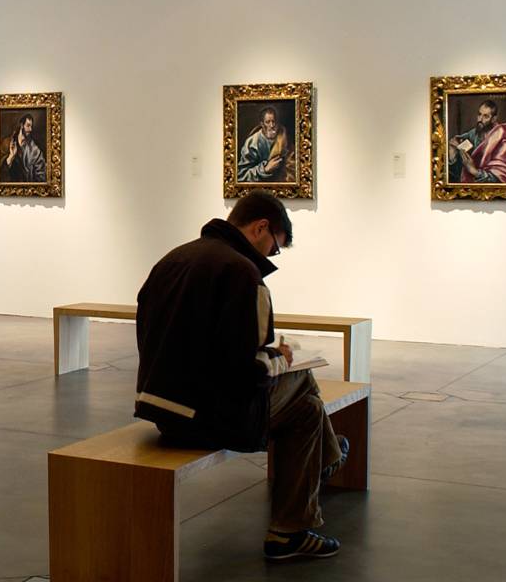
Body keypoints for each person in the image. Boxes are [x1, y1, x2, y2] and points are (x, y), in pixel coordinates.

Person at [133, 192, 349, 561]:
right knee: (306, 403)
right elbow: (246, 370)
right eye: (275, 247)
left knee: (307, 402)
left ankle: (323, 465)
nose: (271, 256)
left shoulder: (172, 259)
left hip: (159, 408)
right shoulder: (243, 273)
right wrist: (280, 359)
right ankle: (296, 517)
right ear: (261, 227)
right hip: (207, 419)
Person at [447, 99, 506, 184]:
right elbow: (458, 170)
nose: (480, 119)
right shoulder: (473, 134)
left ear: (493, 119)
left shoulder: (503, 136)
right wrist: (452, 155)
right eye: (479, 114)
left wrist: (474, 171)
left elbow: (501, 177)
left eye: (486, 116)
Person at [236, 106, 292, 183]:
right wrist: (265, 169)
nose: (272, 125)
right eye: (268, 122)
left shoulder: (283, 137)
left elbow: (291, 164)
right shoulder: (252, 143)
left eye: (273, 121)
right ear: (262, 124)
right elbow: (242, 176)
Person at [0, 113, 45, 183]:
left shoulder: (35, 150)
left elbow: (41, 175)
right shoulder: (8, 143)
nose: (30, 129)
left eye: (31, 126)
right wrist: (11, 157)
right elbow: (0, 173)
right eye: (28, 126)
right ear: (21, 125)